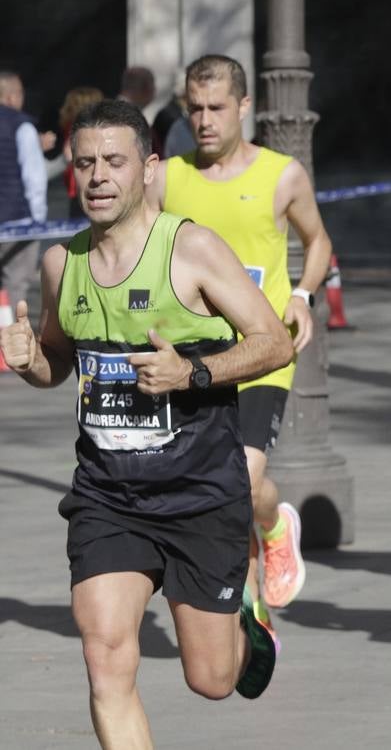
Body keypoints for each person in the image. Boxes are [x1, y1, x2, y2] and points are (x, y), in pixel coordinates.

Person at [0, 99, 293, 747]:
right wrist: (30, 363)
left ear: (148, 169)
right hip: (108, 496)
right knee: (105, 657)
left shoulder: (190, 250)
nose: (98, 176)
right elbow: (57, 363)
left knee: (213, 680)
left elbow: (275, 342)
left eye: (114, 161)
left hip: (200, 495)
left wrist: (191, 373)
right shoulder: (61, 263)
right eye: (84, 164)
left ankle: (249, 605)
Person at [151, 54, 331, 619]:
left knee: (242, 479)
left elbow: (319, 241)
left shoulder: (282, 174)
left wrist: (301, 295)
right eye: (195, 108)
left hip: (262, 354)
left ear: (245, 107)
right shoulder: (167, 178)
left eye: (217, 108)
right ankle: (264, 530)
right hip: (190, 359)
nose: (205, 120)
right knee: (216, 484)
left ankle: (264, 546)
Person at [0, 71, 50, 311]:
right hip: (18, 221)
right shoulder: (22, 127)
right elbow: (34, 178)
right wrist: (37, 221)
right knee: (15, 288)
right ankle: (8, 346)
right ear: (11, 97)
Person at [58, 86, 107, 217]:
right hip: (85, 186)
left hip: (78, 187)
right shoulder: (92, 128)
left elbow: (68, 155)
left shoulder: (74, 128)